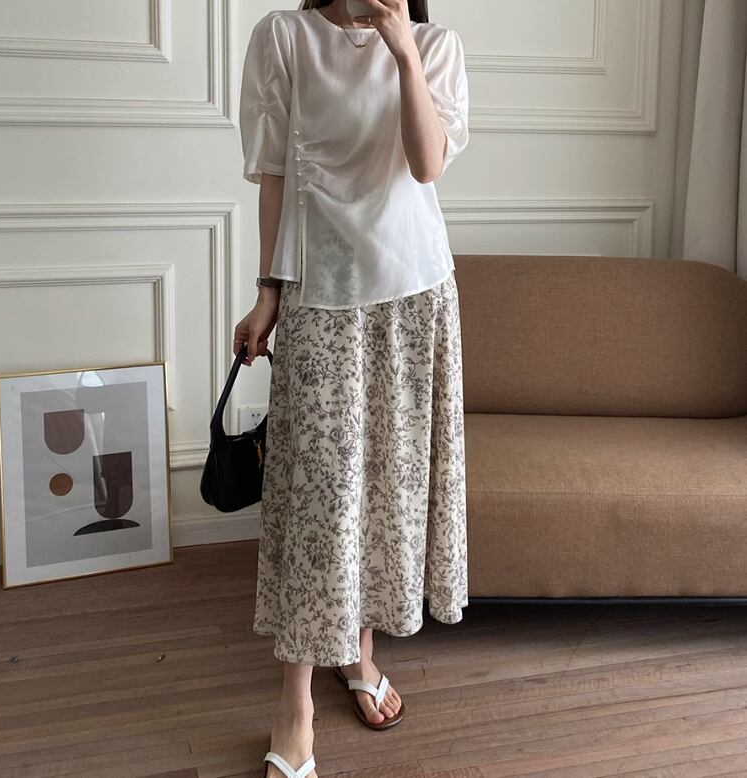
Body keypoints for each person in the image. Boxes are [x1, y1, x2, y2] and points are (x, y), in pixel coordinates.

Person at [233, 0, 469, 775]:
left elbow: (427, 165)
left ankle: (358, 653)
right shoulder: (285, 38)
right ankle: (294, 705)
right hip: (320, 297)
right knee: (320, 502)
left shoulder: (434, 46)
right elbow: (275, 174)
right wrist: (268, 292)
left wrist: (403, 52)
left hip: (414, 296)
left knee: (384, 492)